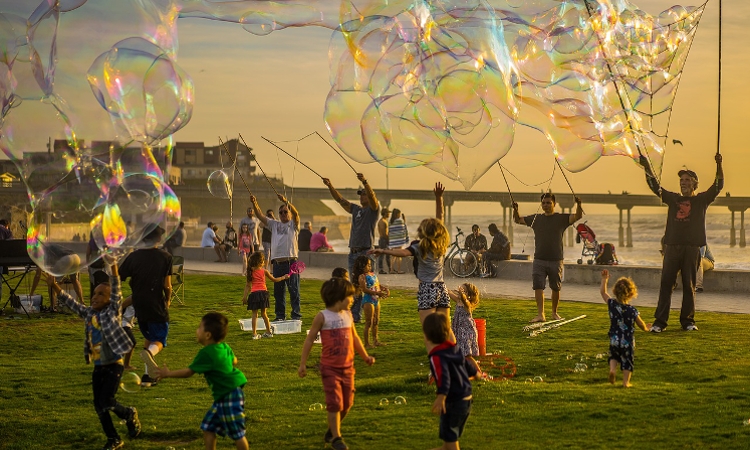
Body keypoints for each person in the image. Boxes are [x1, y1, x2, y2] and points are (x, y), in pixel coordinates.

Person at [50, 256, 142, 450]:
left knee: (107, 401)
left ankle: (128, 413)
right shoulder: (90, 314)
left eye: (101, 294)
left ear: (110, 301)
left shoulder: (112, 312)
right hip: (99, 367)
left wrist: (114, 264)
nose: (95, 297)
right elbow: (72, 304)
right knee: (99, 405)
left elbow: (117, 288)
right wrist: (55, 286)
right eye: (94, 294)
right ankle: (113, 439)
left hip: (113, 365)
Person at [640, 153, 723, 332]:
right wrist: (647, 167)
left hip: (692, 249)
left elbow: (718, 186)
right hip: (672, 247)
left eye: (687, 179)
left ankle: (688, 322)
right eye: (681, 180)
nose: (683, 182)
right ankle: (659, 323)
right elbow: (655, 186)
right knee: (666, 285)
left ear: (694, 183)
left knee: (689, 285)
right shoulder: (673, 199)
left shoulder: (701, 200)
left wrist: (719, 165)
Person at [298, 277, 375, 450]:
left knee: (347, 403)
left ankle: (332, 430)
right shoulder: (322, 317)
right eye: (350, 297)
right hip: (330, 368)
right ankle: (337, 438)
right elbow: (310, 339)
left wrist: (365, 356)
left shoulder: (348, 315)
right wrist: (303, 364)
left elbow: (354, 338)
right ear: (339, 298)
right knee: (335, 402)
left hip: (348, 368)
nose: (353, 299)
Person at [154, 313, 249, 450]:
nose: (196, 330)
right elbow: (235, 361)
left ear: (208, 335)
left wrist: (168, 374)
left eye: (199, 327)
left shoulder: (206, 353)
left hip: (229, 394)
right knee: (208, 427)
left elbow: (188, 372)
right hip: (228, 393)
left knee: (237, 433)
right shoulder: (224, 347)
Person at [370, 183, 451, 328]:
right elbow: (441, 218)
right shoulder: (441, 244)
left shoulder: (419, 247)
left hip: (427, 289)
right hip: (442, 288)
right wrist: (439, 198)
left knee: (430, 330)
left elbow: (402, 253)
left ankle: (435, 350)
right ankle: (453, 351)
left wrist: (383, 250)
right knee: (445, 329)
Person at [513, 192, 583, 323]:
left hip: (556, 259)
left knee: (556, 287)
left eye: (548, 203)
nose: (545, 205)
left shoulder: (561, 218)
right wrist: (515, 210)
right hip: (539, 258)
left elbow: (577, 216)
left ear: (554, 204)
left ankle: (554, 313)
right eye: (543, 203)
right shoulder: (536, 218)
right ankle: (541, 314)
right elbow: (517, 220)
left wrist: (579, 204)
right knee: (538, 286)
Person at [118, 226, 172, 387]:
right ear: (158, 240)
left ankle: (148, 378)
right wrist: (168, 300)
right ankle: (149, 353)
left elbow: (118, 277)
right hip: (156, 303)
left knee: (149, 337)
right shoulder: (166, 257)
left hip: (138, 306)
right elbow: (167, 285)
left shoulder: (133, 257)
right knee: (160, 339)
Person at [322, 172, 380, 323]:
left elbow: (374, 200)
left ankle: (370, 313)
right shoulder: (356, 209)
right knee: (354, 286)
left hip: (366, 252)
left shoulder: (373, 211)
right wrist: (330, 186)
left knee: (367, 285)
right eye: (360, 195)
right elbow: (340, 200)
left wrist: (365, 182)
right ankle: (355, 316)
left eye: (364, 194)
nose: (362, 197)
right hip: (353, 252)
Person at [423, 312, 479, 450]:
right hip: (466, 398)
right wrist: (475, 373)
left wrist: (441, 397)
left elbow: (443, 377)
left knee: (451, 439)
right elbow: (465, 364)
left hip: (453, 401)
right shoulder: (454, 348)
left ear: (427, 336)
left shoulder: (436, 356)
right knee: (449, 439)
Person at [250, 193, 301, 322]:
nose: (283, 214)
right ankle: (280, 316)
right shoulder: (274, 224)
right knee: (278, 292)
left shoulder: (293, 225)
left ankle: (295, 315)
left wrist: (286, 201)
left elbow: (297, 214)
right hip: (277, 263)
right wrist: (254, 203)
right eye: (281, 212)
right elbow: (260, 215)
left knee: (294, 290)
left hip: (292, 262)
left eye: (285, 212)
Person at [600, 270, 650, 388]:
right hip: (627, 341)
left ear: (615, 291)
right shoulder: (632, 310)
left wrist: (604, 280)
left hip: (614, 339)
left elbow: (603, 293)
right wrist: (646, 328)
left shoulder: (611, 304)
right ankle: (625, 382)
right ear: (631, 293)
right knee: (627, 361)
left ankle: (612, 370)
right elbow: (641, 324)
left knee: (613, 356)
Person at [242, 251, 289, 339]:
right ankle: (268, 332)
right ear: (260, 262)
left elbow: (248, 286)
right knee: (264, 314)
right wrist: (284, 277)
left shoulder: (250, 272)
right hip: (263, 294)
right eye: (263, 261)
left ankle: (254, 334)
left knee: (254, 314)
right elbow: (275, 279)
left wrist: (244, 297)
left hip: (254, 295)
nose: (264, 262)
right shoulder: (264, 271)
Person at [352, 255, 389, 348]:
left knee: (376, 320)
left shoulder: (373, 274)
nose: (370, 266)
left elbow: (378, 285)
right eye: (367, 265)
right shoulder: (362, 276)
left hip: (376, 299)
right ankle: (367, 343)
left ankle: (376, 340)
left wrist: (384, 289)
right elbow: (364, 290)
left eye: (370, 265)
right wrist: (377, 293)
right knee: (369, 322)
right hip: (368, 300)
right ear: (361, 266)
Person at [448, 283, 481, 374]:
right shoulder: (459, 301)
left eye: (463, 291)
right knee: (461, 353)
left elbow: (464, 299)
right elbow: (449, 292)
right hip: (459, 330)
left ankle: (479, 372)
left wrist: (462, 294)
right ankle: (465, 370)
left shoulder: (467, 304)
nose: (459, 292)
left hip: (466, 331)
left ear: (468, 295)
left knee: (467, 355)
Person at [388, 209, 409, 274]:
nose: (400, 215)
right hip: (399, 241)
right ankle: (399, 270)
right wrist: (404, 220)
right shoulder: (400, 221)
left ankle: (391, 269)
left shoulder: (390, 222)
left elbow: (390, 231)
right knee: (399, 256)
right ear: (397, 214)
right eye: (399, 214)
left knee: (393, 255)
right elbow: (404, 228)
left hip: (392, 241)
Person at [376, 208, 391, 274]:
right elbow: (383, 233)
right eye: (388, 213)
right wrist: (388, 239)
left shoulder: (385, 220)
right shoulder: (382, 221)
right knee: (382, 254)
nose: (389, 214)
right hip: (383, 239)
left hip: (385, 239)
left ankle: (390, 268)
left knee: (388, 254)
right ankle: (381, 269)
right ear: (385, 213)